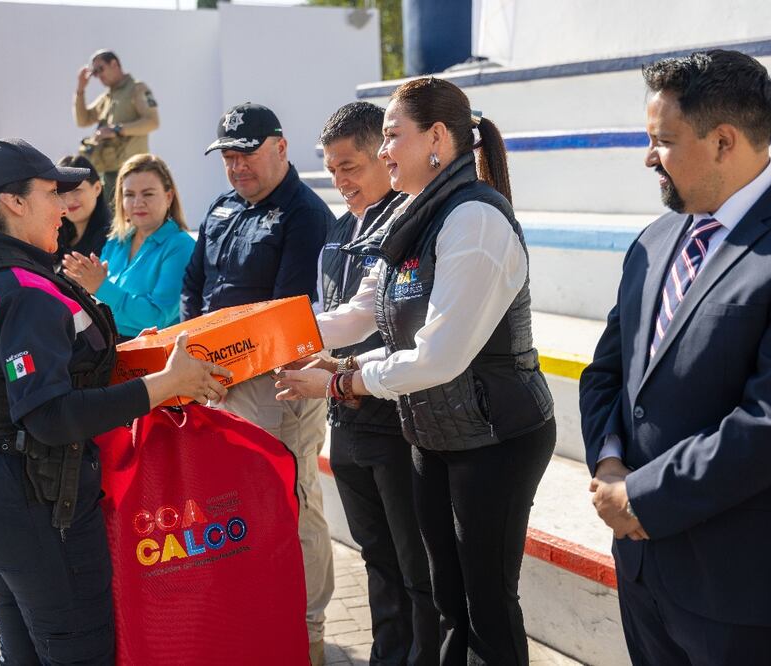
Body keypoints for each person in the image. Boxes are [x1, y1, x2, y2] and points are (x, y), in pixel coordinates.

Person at [275, 77, 556, 665]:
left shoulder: (473, 220)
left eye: (391, 137)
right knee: (449, 599)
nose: (383, 153)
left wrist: (339, 381)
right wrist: (262, 337)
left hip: (496, 438)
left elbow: (438, 356)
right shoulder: (415, 217)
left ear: (436, 138)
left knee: (486, 605)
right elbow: (361, 317)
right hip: (435, 434)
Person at [579, 50, 771, 666]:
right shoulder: (655, 239)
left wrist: (644, 497)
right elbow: (607, 376)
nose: (649, 158)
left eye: (662, 141)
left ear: (723, 141)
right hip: (644, 566)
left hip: (743, 584)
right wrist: (613, 467)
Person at [0, 138, 230, 664]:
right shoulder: (23, 288)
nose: (66, 206)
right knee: (76, 648)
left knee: (21, 645)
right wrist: (167, 382)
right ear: (13, 202)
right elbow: (50, 415)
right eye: (52, 192)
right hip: (32, 492)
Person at [180, 102, 334, 666]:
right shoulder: (222, 205)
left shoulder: (305, 214)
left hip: (277, 385)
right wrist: (196, 362)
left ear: (281, 146)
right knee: (235, 504)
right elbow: (194, 286)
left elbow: (286, 314)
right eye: (227, 155)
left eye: (246, 152)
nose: (236, 165)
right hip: (216, 380)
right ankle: (254, 613)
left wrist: (216, 369)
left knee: (294, 507)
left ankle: (308, 627)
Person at [315, 101, 437, 664]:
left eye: (351, 167)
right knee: (375, 556)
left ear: (382, 158)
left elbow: (358, 320)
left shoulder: (408, 223)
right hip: (344, 419)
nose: (341, 181)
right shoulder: (338, 231)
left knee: (413, 563)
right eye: (333, 169)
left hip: (394, 415)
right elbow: (328, 316)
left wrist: (265, 335)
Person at [63, 153, 193, 340]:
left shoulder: (181, 246)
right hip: (112, 353)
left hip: (156, 359)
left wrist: (100, 287)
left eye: (148, 193)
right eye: (129, 195)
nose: (138, 203)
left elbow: (156, 319)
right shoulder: (117, 241)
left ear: (169, 196)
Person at [74, 49, 159, 203]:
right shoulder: (107, 97)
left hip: (133, 170)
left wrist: (117, 129)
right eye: (95, 73)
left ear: (114, 64)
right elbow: (83, 120)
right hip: (109, 171)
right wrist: (81, 89)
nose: (99, 76)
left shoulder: (137, 89)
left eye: (101, 69)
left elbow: (152, 122)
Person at [55, 155, 110, 262]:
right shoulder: (55, 238)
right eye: (61, 193)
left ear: (97, 188)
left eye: (77, 191)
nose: (69, 201)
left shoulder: (110, 240)